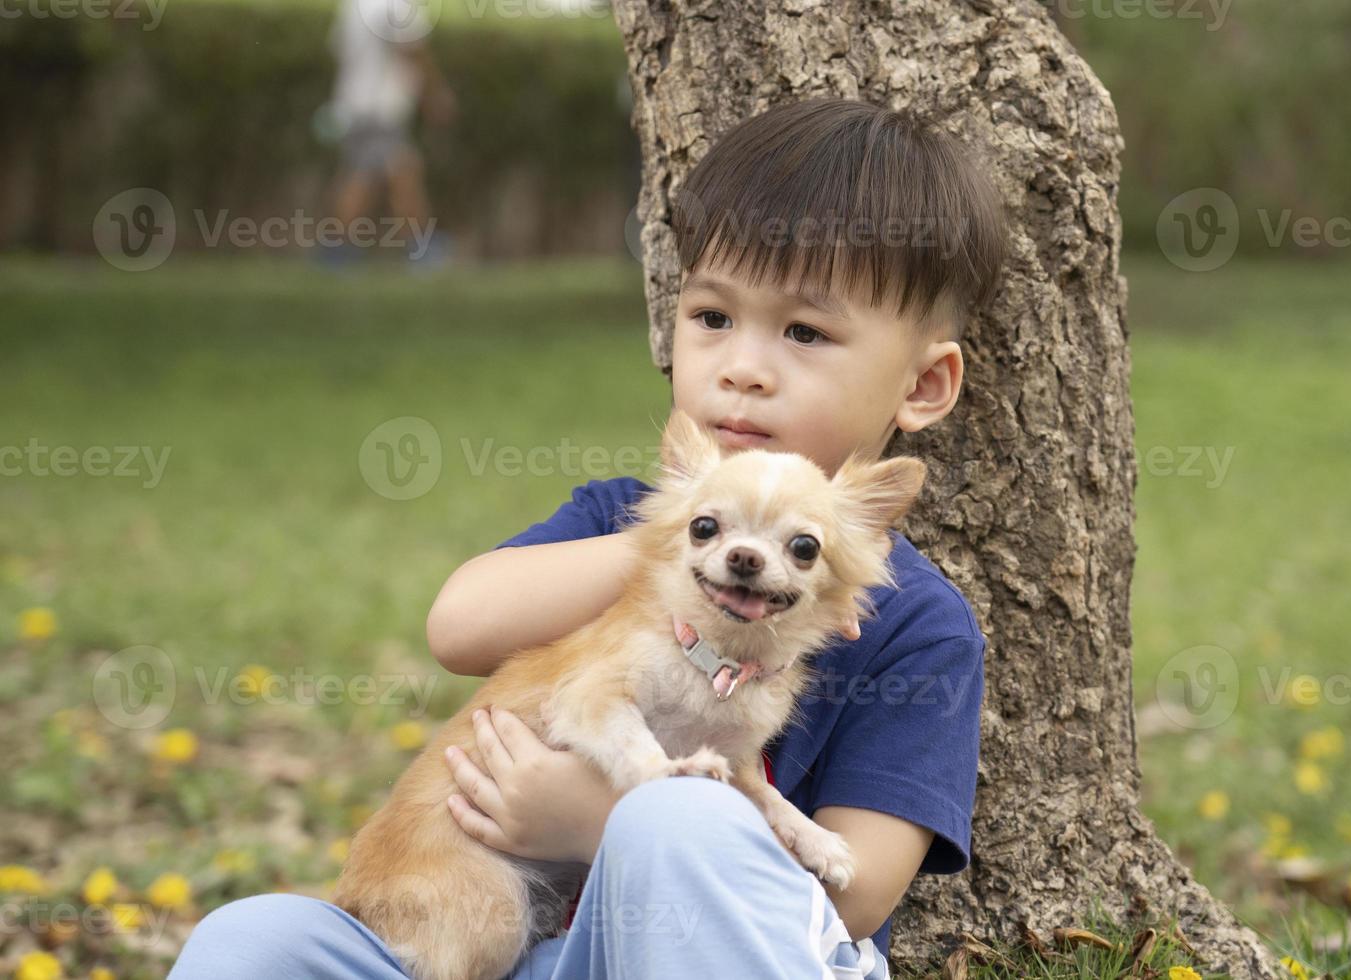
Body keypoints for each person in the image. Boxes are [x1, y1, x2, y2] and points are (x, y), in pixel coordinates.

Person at [169, 96, 1008, 979]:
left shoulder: (919, 625)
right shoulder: (627, 521)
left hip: (731, 951)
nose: (741, 367)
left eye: (804, 331)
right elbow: (460, 625)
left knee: (679, 810)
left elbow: (863, 892)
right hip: (524, 949)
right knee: (253, 942)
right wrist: (674, 538)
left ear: (922, 386)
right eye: (712, 317)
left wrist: (592, 819)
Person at [321, 0, 455, 266]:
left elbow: (339, 49)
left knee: (364, 174)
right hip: (380, 109)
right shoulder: (398, 7)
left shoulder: (356, 6)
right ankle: (421, 249)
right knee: (401, 172)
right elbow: (413, 49)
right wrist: (436, 94)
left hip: (353, 105)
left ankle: (336, 251)